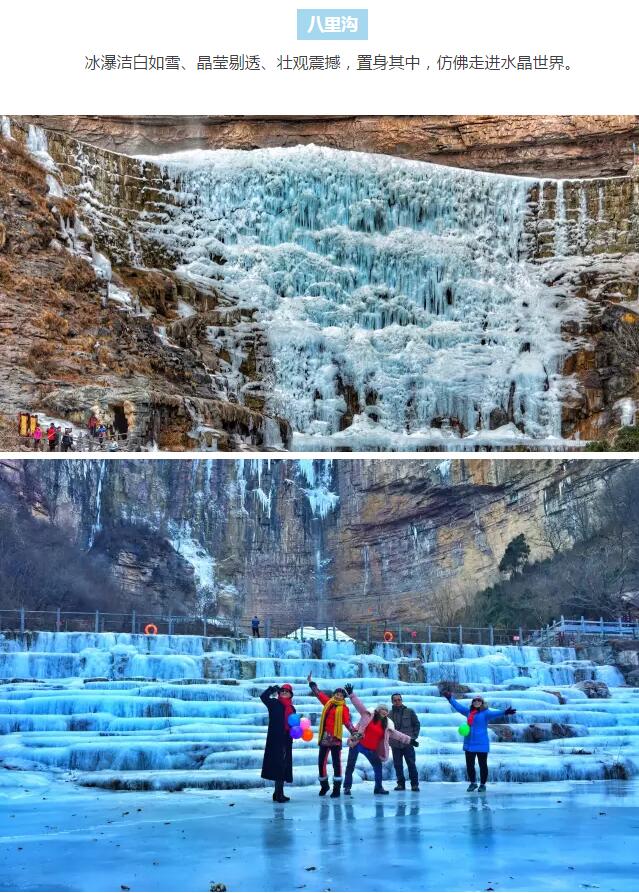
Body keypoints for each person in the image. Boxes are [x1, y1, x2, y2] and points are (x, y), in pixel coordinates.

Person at [343, 687, 417, 796]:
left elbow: (397, 735)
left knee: (378, 766)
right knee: (350, 765)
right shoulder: (368, 716)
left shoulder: (386, 725)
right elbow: (359, 705)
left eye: (386, 711)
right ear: (378, 711)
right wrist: (351, 695)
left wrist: (410, 741)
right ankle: (347, 787)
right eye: (383, 710)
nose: (385, 712)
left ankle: (378, 788)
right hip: (358, 743)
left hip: (371, 749)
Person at [442, 690, 516, 792]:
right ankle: (473, 783)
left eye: (479, 700)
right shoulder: (468, 712)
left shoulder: (486, 713)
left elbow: (496, 713)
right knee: (469, 765)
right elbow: (458, 706)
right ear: (472, 702)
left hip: (481, 744)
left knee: (483, 765)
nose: (476, 702)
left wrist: (505, 712)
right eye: (475, 700)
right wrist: (450, 698)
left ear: (482, 702)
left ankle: (482, 784)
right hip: (469, 743)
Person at [307, 672, 357, 798]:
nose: (339, 696)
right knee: (321, 762)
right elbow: (319, 694)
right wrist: (311, 683)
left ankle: (336, 788)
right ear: (334, 695)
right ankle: (324, 785)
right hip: (324, 738)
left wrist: (354, 732)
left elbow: (347, 722)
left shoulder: (344, 708)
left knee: (336, 764)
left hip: (335, 738)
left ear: (343, 698)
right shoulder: (328, 702)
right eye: (337, 694)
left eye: (341, 695)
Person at [260, 682, 296, 803]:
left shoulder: (292, 708)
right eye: (282, 691)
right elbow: (263, 697)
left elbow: (293, 724)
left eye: (287, 691)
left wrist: (296, 732)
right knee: (279, 765)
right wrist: (272, 689)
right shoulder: (274, 703)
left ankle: (278, 793)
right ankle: (279, 794)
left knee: (283, 766)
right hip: (275, 739)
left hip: (286, 739)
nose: (284, 692)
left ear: (291, 695)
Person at [389, 692, 421, 791]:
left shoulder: (409, 711)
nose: (397, 702)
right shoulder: (389, 714)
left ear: (401, 700)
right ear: (392, 701)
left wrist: (413, 738)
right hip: (395, 744)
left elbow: (417, 724)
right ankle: (400, 784)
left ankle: (414, 784)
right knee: (398, 765)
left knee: (411, 764)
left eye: (399, 699)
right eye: (395, 700)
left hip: (408, 744)